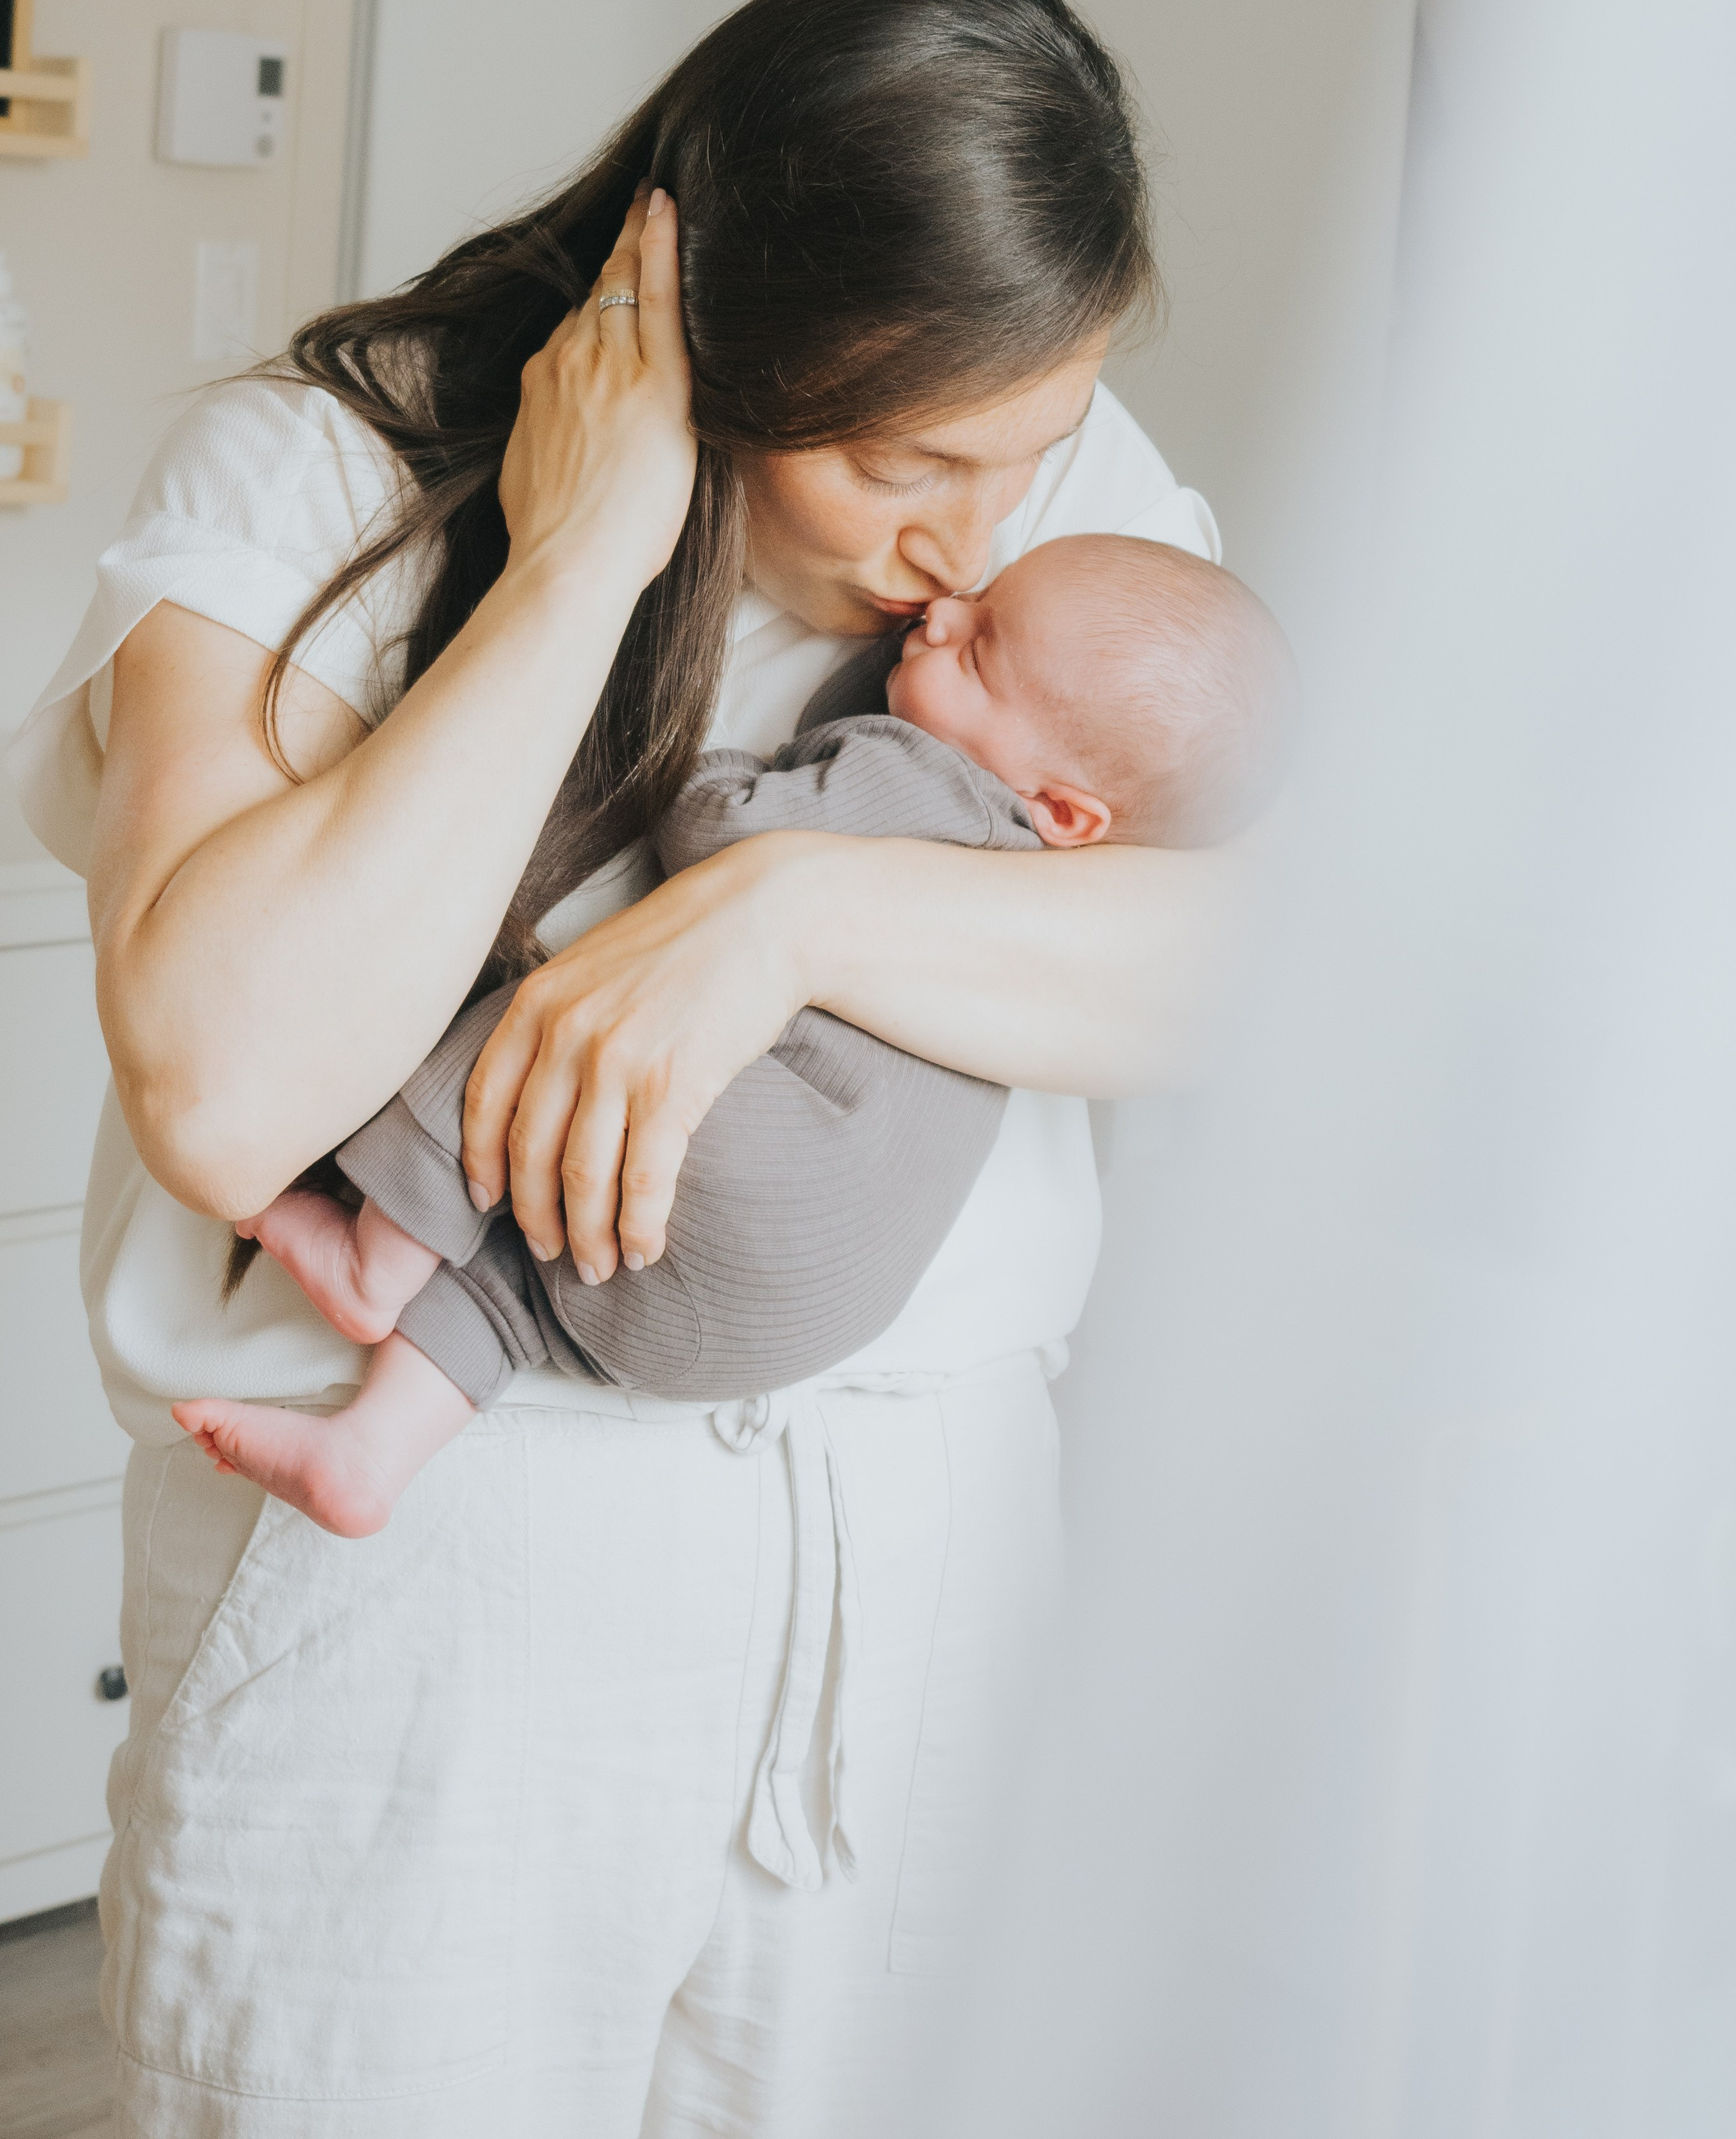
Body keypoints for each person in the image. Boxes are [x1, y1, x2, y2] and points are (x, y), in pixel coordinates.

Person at [9, 0, 1252, 2138]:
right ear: (730, 329)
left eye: (1027, 454)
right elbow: (224, 1081)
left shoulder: (1050, 487)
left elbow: (1262, 955)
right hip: (448, 1591)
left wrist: (789, 905)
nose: (972, 541)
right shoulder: (321, 473)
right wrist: (584, 559)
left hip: (928, 1575)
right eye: (905, 462)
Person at [173, 534, 1295, 1539]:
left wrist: (709, 763)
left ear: (1061, 810)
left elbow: (722, 830)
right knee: (532, 1264)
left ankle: (377, 1257)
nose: (946, 610)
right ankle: (370, 1455)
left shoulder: (922, 779)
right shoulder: (1059, 899)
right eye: (983, 595)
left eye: (982, 649)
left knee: (548, 1028)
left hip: (756, 1189)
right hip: (794, 1311)